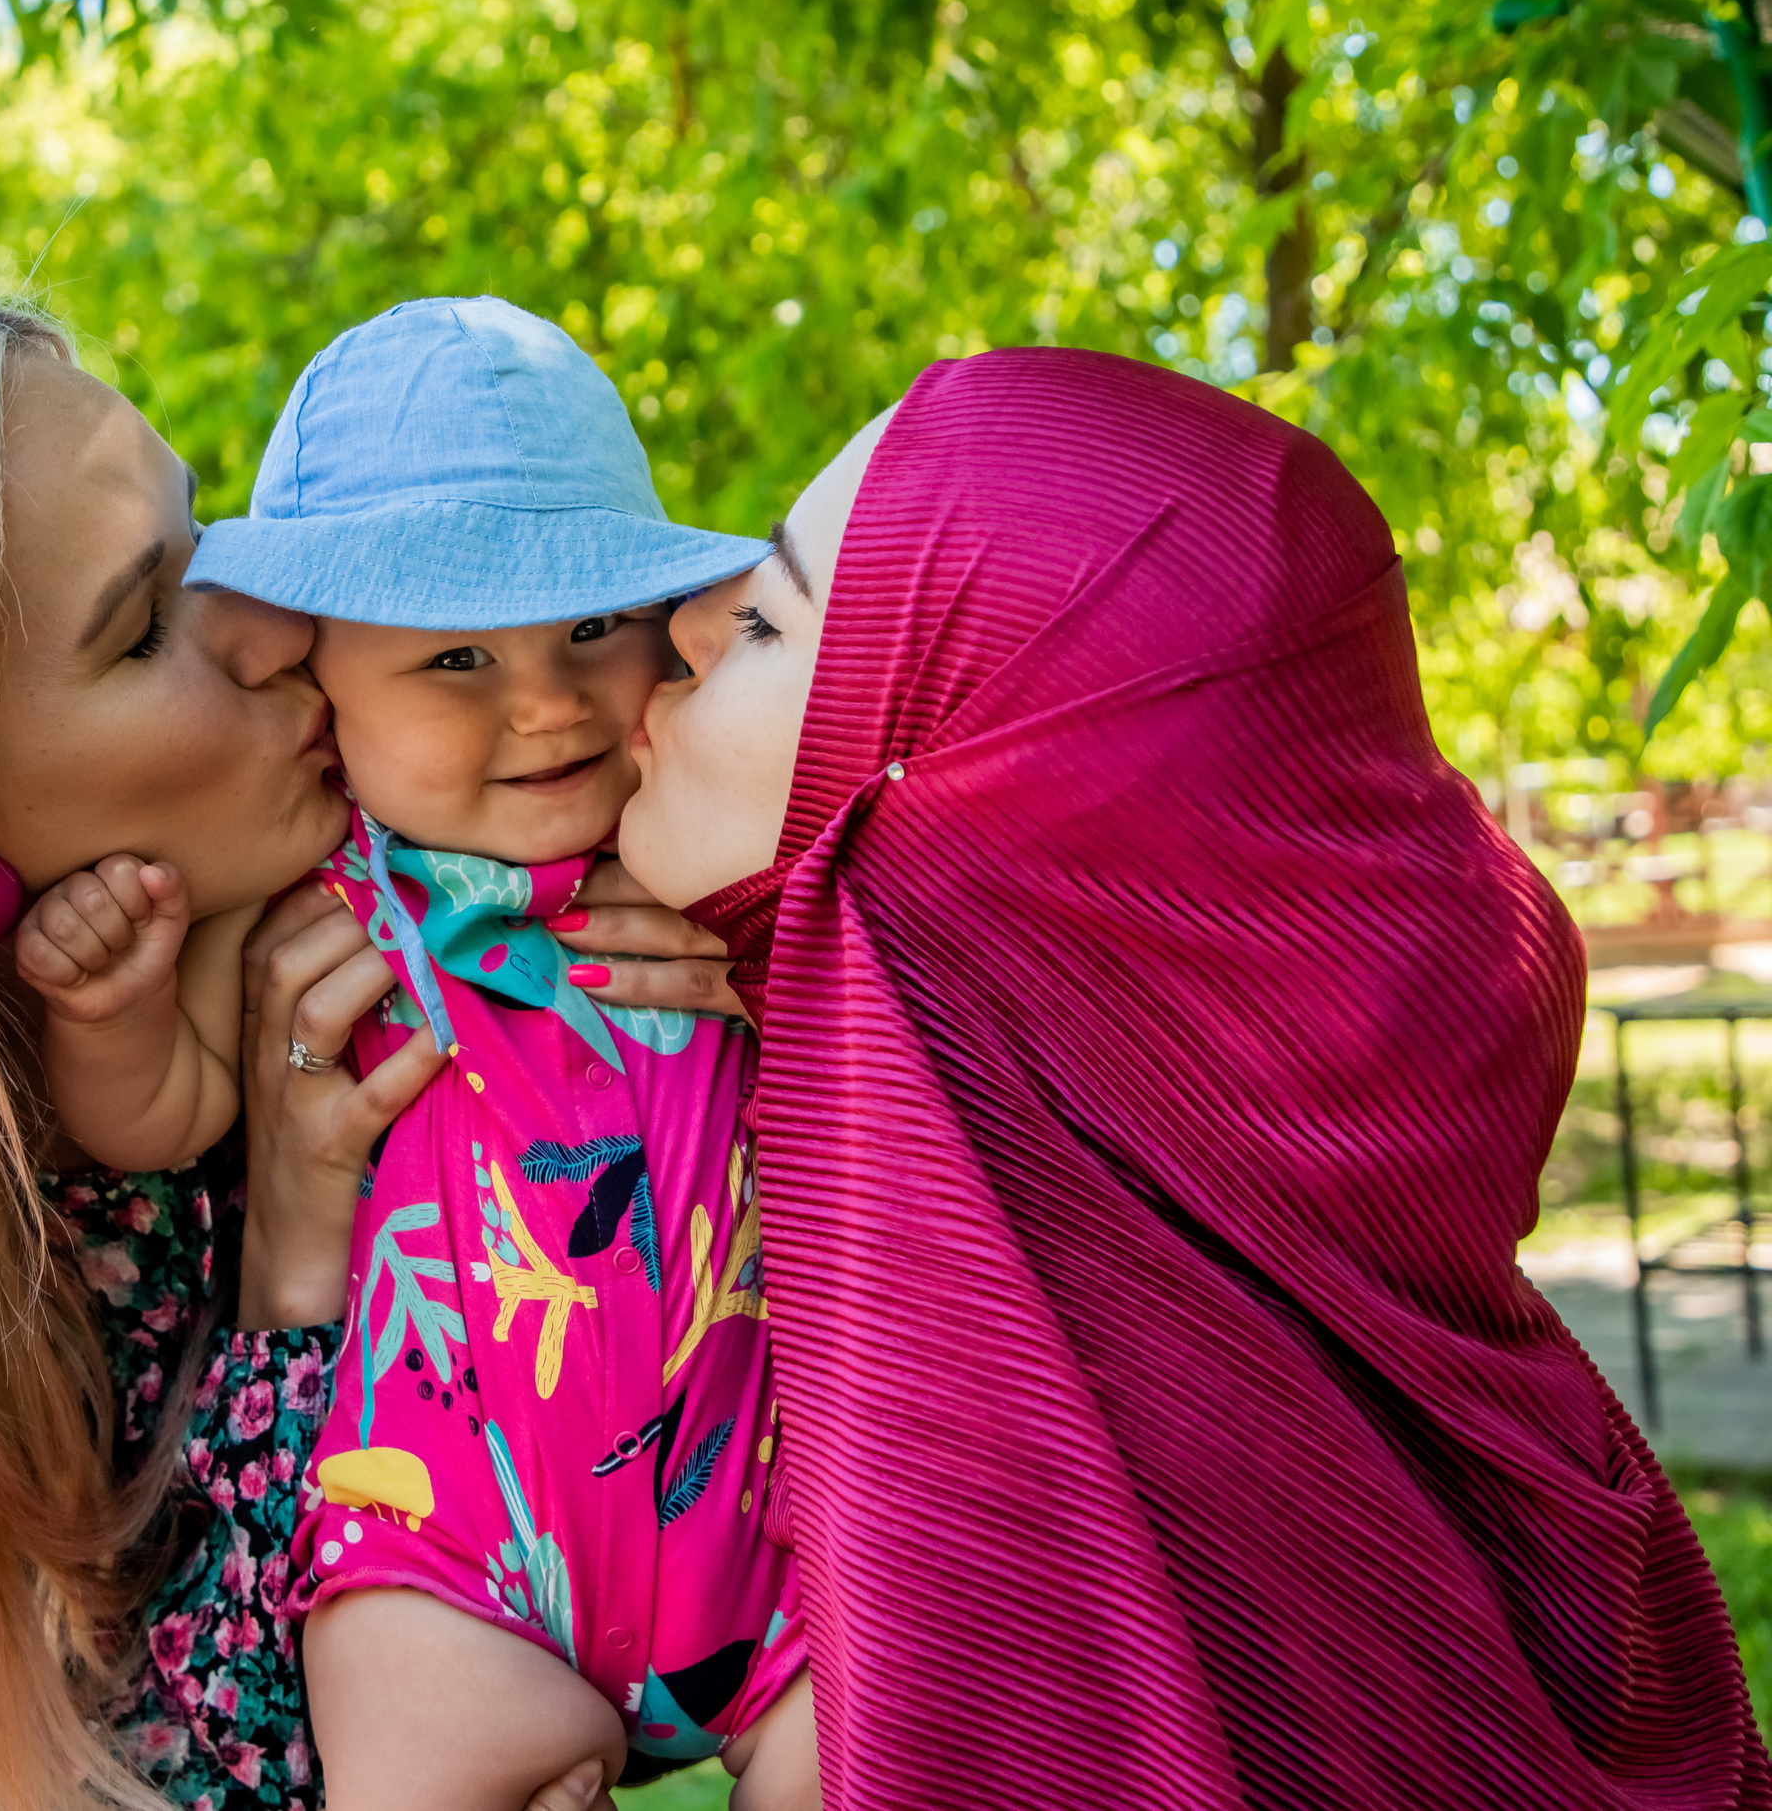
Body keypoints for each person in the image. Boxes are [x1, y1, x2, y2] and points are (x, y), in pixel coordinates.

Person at [0, 301, 721, 1811]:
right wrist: (295, 1277)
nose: (276, 624)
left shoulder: (435, 844)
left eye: (207, 534)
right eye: (146, 622)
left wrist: (735, 936)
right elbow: (161, 1752)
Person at [616, 347, 1770, 1808]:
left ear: (975, 833)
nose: (677, 627)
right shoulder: (1266, 1305)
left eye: (770, 623)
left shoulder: (1039, 1465)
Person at [30, 298, 815, 1806]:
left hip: (775, 1534)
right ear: (318, 683)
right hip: (449, 1549)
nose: (541, 699)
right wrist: (108, 1010)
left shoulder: (710, 846)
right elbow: (164, 1110)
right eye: (454, 654)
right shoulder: (328, 911)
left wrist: (773, 955)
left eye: (593, 626)